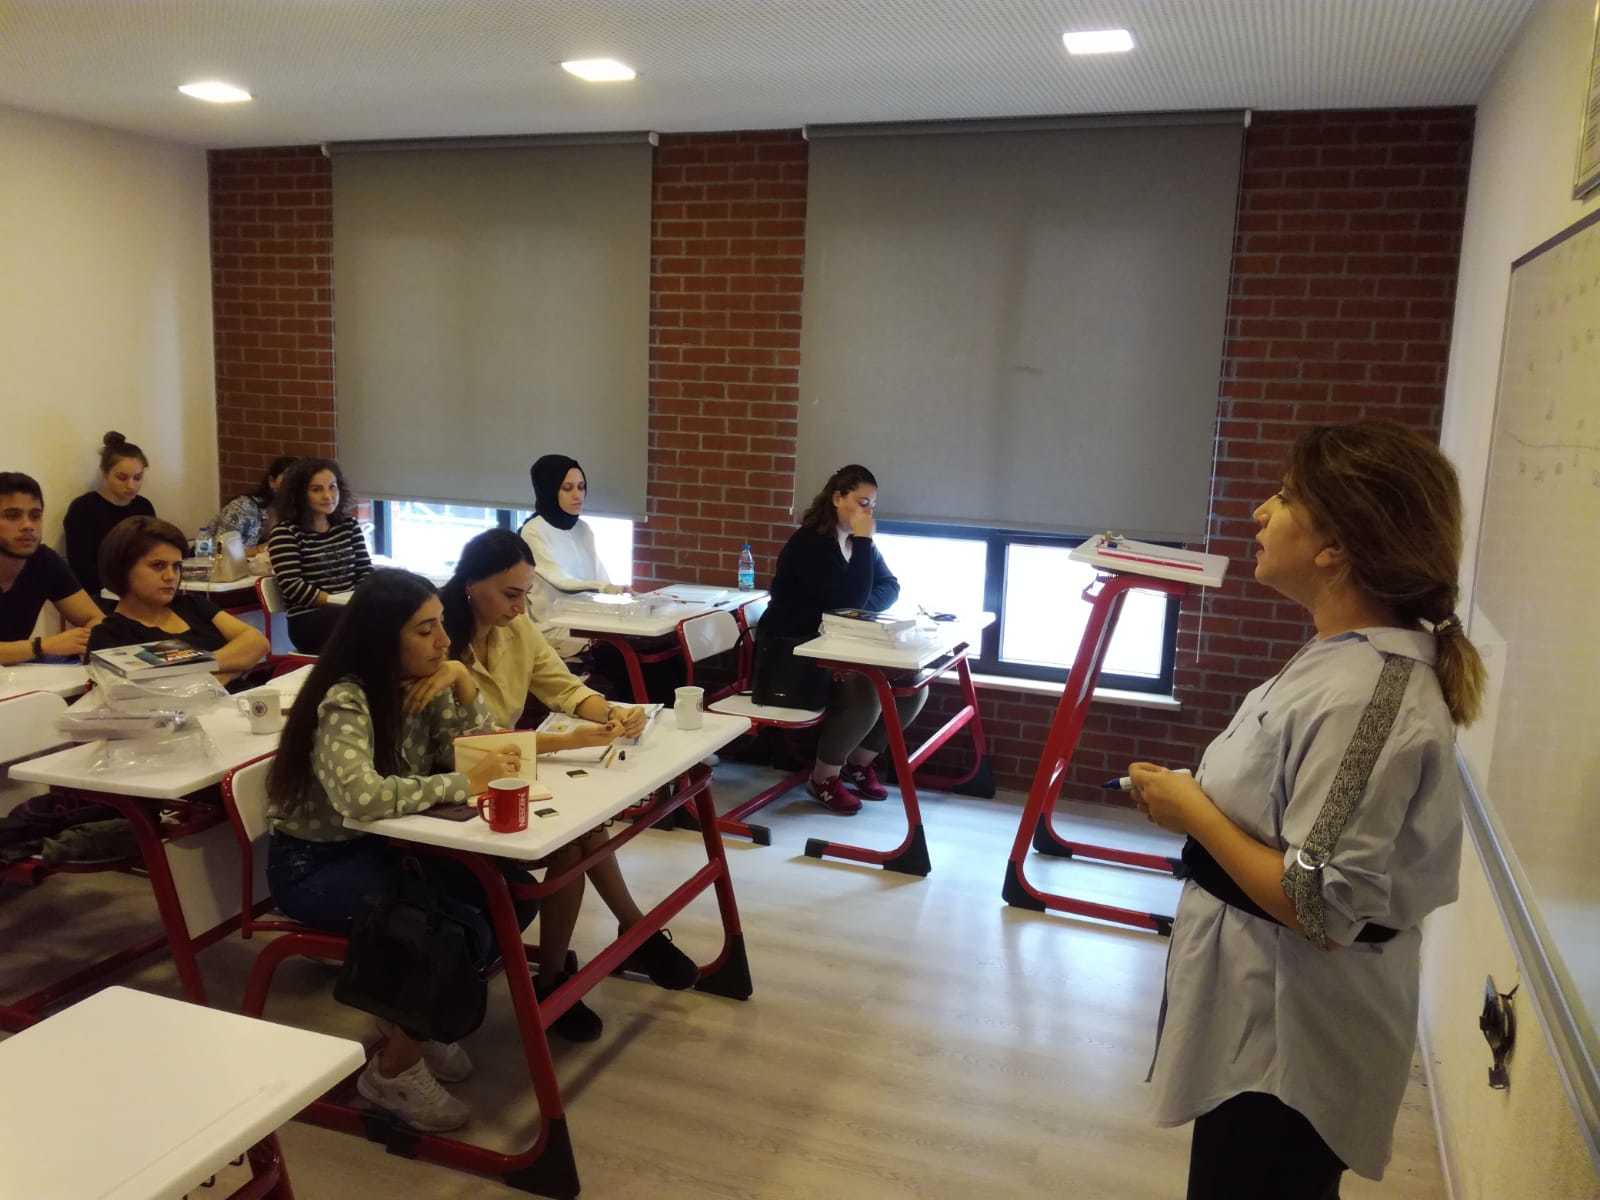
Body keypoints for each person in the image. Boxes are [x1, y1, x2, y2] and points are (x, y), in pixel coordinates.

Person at [1130, 421, 1485, 1198]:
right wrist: (1193, 802)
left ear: (1337, 546)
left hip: (1291, 1044)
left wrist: (1194, 813)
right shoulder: (1339, 659)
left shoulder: (1369, 696)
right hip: (1255, 1015)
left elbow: (1317, 904)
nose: (1260, 512)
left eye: (1287, 498)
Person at [264, 569, 537, 1133]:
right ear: (382, 638)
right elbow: (360, 798)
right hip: (315, 866)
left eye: (442, 626)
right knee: (439, 927)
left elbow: (488, 754)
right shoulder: (346, 699)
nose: (443, 642)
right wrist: (460, 784)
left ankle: (416, 1022)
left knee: (512, 895)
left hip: (380, 848)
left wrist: (463, 683)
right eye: (425, 630)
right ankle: (392, 1072)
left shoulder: (423, 682)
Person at [441, 529, 699, 1028]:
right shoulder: (441, 644)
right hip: (458, 785)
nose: (519, 607)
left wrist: (610, 712)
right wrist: (571, 741)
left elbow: (561, 686)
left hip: (504, 772)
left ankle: (572, 968)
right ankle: (612, 946)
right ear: (471, 583)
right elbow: (469, 745)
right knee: (576, 838)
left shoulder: (516, 628)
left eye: (524, 594)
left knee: (582, 833)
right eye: (510, 594)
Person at [757, 464, 923, 815]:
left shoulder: (859, 546)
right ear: (837, 498)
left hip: (836, 645)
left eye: (872, 505)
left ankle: (859, 761)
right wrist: (862, 545)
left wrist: (857, 609)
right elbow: (848, 601)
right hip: (792, 653)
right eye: (862, 502)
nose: (868, 512)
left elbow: (889, 586)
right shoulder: (811, 544)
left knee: (913, 683)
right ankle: (823, 778)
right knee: (865, 691)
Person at [88, 516, 269, 687]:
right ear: (123, 568)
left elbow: (258, 643)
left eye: (176, 567)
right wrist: (234, 666)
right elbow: (157, 693)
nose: (171, 576)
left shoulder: (192, 604)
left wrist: (200, 667)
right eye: (158, 565)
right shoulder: (110, 636)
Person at [518, 454, 624, 661]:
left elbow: (600, 576)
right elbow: (561, 580)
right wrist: (604, 587)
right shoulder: (533, 531)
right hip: (554, 625)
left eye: (581, 487)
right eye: (567, 488)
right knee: (615, 652)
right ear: (549, 490)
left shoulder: (583, 529)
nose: (578, 495)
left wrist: (622, 595)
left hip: (588, 618)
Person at [266, 457, 373, 653]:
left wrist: (358, 600)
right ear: (299, 494)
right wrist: (336, 601)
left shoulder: (348, 526)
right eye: (317, 490)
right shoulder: (286, 533)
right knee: (372, 625)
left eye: (332, 487)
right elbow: (292, 586)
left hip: (350, 609)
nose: (328, 496)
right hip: (310, 620)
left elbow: (365, 571)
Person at [0, 472, 103, 665]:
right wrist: (41, 647)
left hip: (16, 674)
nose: (28, 525)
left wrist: (85, 640)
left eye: (35, 516)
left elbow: (95, 619)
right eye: (12, 516)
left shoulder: (44, 560)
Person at [63, 431, 155, 603]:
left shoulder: (144, 506)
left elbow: (152, 552)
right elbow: (81, 567)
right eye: (122, 478)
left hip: (140, 590)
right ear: (105, 473)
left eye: (137, 478)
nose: (131, 485)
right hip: (99, 594)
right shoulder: (84, 509)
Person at [212, 455, 297, 557]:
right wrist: (263, 548)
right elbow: (221, 551)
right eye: (287, 479)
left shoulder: (295, 512)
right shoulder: (243, 507)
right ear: (272, 482)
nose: (293, 486)